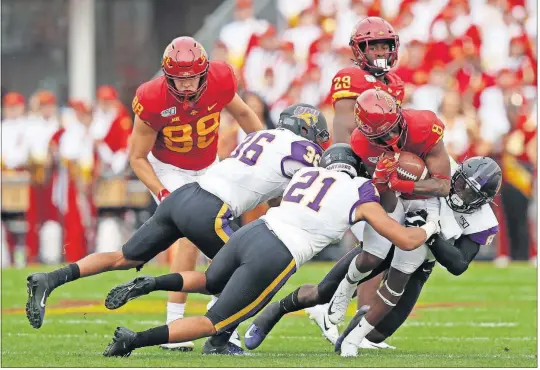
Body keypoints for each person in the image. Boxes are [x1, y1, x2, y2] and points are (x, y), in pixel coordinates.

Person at [24, 103, 327, 353]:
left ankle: (50, 278)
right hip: (212, 210)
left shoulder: (259, 137)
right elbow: (315, 185)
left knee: (123, 257)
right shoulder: (302, 149)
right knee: (246, 272)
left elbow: (266, 181)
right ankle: (221, 338)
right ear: (305, 130)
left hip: (185, 196)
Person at [101, 143, 440, 357]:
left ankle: (151, 283)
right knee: (213, 323)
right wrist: (430, 225)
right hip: (277, 252)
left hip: (254, 231)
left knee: (210, 281)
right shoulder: (361, 192)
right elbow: (406, 240)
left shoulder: (307, 173)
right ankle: (135, 340)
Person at [247, 88, 451, 352]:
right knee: (371, 257)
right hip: (391, 199)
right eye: (382, 135)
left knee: (405, 271)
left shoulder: (424, 125)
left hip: (428, 201)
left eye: (393, 129)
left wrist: (402, 182)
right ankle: (336, 293)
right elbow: (386, 204)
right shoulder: (361, 143)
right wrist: (383, 181)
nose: (391, 138)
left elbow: (443, 187)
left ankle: (357, 338)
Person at [127, 36, 263, 351]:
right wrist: (160, 191)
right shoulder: (151, 98)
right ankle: (177, 321)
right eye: (179, 78)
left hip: (208, 164)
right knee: (194, 233)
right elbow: (137, 157)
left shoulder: (221, 78)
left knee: (227, 238)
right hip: (168, 169)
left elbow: (243, 115)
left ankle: (222, 319)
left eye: (192, 77)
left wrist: (265, 144)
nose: (187, 85)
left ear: (203, 72)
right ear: (166, 75)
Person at [334, 156, 502, 353]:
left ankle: (361, 323)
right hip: (395, 232)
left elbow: (459, 264)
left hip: (423, 258)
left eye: (471, 194)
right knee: (358, 267)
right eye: (462, 183)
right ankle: (323, 301)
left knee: (379, 333)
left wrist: (429, 234)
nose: (461, 192)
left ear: (484, 202)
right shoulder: (441, 164)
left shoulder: (483, 221)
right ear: (456, 173)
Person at [328, 17, 406, 333]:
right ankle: (324, 303)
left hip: (381, 167)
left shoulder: (396, 83)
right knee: (372, 246)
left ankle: (357, 320)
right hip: (356, 166)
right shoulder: (350, 76)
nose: (379, 50)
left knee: (378, 246)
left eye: (385, 44)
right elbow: (345, 124)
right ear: (359, 49)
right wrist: (347, 163)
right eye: (372, 44)